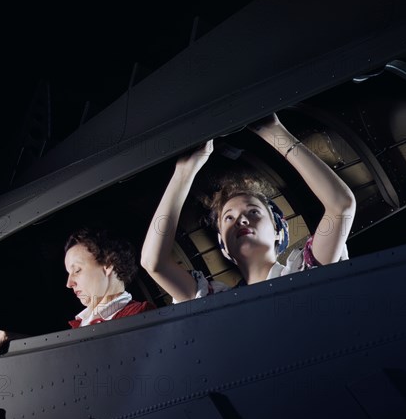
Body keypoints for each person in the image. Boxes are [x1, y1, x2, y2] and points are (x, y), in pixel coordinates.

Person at [141, 112, 356, 303]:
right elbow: (153, 262)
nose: (241, 221)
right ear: (224, 245)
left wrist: (275, 132)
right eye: (228, 218)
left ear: (278, 231)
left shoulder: (305, 271)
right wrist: (183, 173)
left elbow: (341, 206)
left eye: (253, 212)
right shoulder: (213, 301)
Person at [0, 227, 155, 361]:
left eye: (77, 271)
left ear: (108, 265)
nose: (69, 283)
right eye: (68, 273)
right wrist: (14, 341)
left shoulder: (142, 316)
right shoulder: (82, 325)